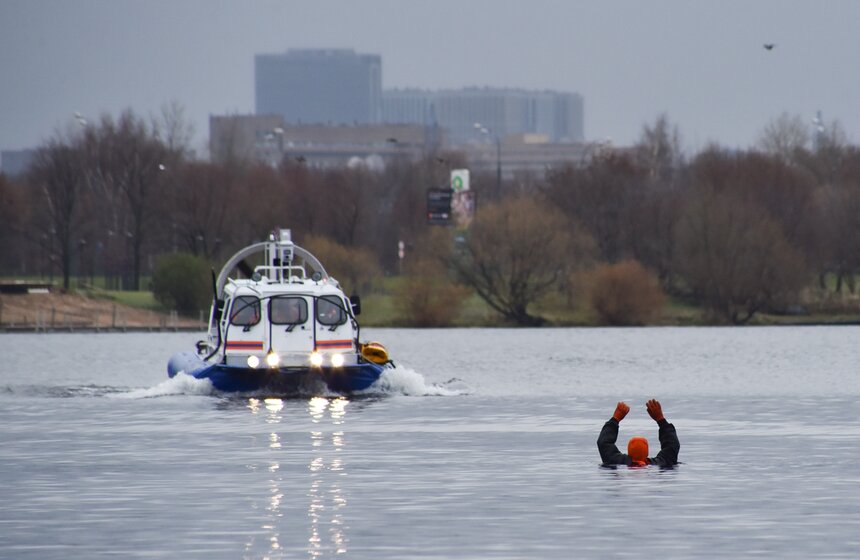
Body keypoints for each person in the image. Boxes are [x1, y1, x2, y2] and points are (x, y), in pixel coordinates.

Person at [597, 399, 679, 467]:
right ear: (647, 452)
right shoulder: (660, 463)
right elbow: (672, 445)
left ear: (629, 451)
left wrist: (615, 419)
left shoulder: (616, 461)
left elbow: (603, 443)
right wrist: (661, 420)